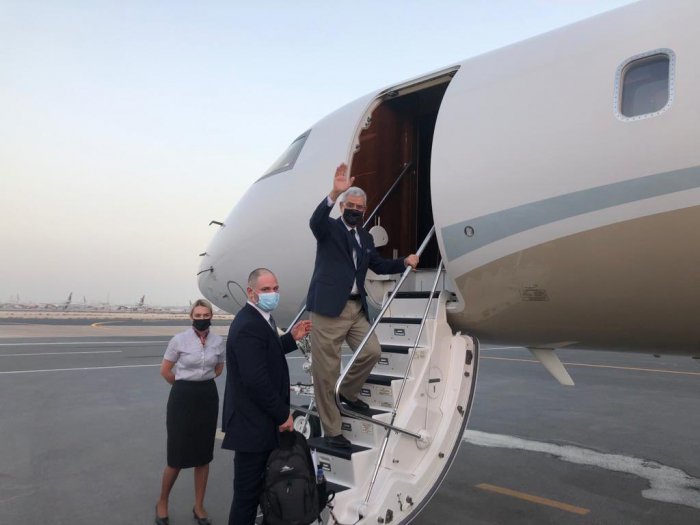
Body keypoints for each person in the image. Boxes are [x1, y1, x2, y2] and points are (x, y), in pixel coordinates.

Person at [307, 163, 419, 448]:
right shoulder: (330, 229)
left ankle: (347, 392)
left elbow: (378, 266)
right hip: (329, 310)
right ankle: (332, 432)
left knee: (372, 351)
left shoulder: (365, 237)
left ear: (365, 210)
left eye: (360, 206)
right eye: (350, 204)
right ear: (343, 205)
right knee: (326, 371)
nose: (355, 209)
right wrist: (333, 192)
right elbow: (315, 222)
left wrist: (404, 261)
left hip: (356, 309)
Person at [222, 268, 313, 525]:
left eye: (275, 288)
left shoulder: (262, 319)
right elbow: (255, 380)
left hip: (258, 424)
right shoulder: (249, 324)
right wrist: (282, 414)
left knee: (264, 491)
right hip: (253, 426)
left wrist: (291, 339)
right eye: (265, 290)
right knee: (247, 497)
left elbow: (266, 354)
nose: (272, 294)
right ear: (250, 292)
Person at [156, 299, 224, 525]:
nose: (202, 319)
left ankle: (198, 505)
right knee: (176, 456)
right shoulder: (179, 340)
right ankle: (163, 502)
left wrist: (201, 382)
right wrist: (184, 385)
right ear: (191, 316)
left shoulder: (217, 340)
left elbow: (219, 367)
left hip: (207, 397)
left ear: (211, 316)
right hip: (182, 398)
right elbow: (165, 371)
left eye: (206, 315)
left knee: (203, 456)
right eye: (198, 315)